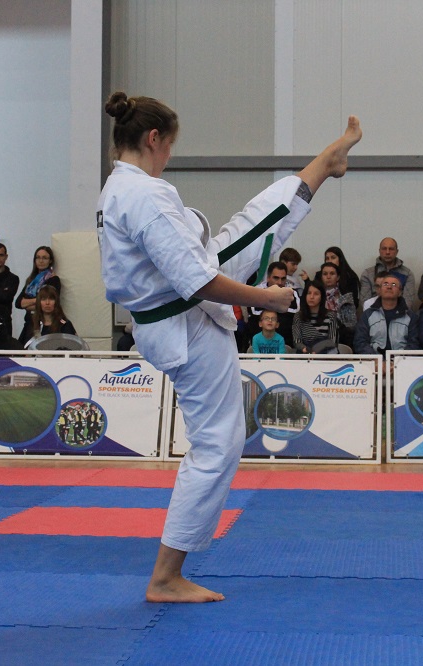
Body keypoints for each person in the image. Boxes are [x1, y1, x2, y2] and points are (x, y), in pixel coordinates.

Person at [97, 90, 360, 603]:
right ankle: (166, 577)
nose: (168, 156)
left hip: (174, 307)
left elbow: (192, 269)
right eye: (169, 147)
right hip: (184, 321)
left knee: (252, 225)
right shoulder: (144, 196)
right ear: (153, 138)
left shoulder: (119, 190)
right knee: (217, 443)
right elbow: (199, 282)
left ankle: (323, 166)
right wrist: (270, 298)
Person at [353, 274, 418, 354]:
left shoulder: (410, 316)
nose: (389, 287)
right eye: (385, 284)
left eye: (393, 285)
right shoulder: (367, 315)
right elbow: (360, 342)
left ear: (400, 292)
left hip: (401, 360)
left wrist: (398, 359)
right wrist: (376, 359)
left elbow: (414, 344)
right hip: (374, 359)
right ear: (379, 290)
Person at [244, 261, 299, 348]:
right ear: (268, 278)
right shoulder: (257, 291)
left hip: (285, 341)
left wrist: (268, 305)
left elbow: (294, 312)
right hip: (260, 338)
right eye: (276, 278)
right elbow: (255, 312)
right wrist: (278, 305)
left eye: (283, 279)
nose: (280, 282)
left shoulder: (292, 292)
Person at [359, 237, 417, 309]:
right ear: (379, 251)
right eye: (384, 249)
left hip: (400, 313)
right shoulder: (367, 274)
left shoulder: (407, 274)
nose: (387, 252)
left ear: (397, 251)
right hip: (374, 312)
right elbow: (365, 302)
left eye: (391, 249)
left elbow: (408, 302)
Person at [16, 246, 62, 334]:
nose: (41, 261)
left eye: (44, 258)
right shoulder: (31, 280)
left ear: (50, 261)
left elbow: (49, 304)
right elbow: (18, 303)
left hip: (44, 324)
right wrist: (37, 300)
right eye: (38, 257)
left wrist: (27, 304)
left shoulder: (53, 279)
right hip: (29, 323)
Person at [292, 280, 340, 354]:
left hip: (325, 352)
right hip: (305, 353)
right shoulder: (298, 316)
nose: (311, 297)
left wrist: (316, 350)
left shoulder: (331, 316)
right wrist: (307, 350)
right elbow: (297, 341)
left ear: (322, 297)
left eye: (316, 294)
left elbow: (332, 341)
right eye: (309, 293)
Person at [320, 261, 357, 345]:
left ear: (338, 277)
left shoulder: (346, 298)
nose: (328, 277)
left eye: (332, 274)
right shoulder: (316, 297)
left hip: (342, 337)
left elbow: (351, 325)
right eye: (325, 274)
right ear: (321, 277)